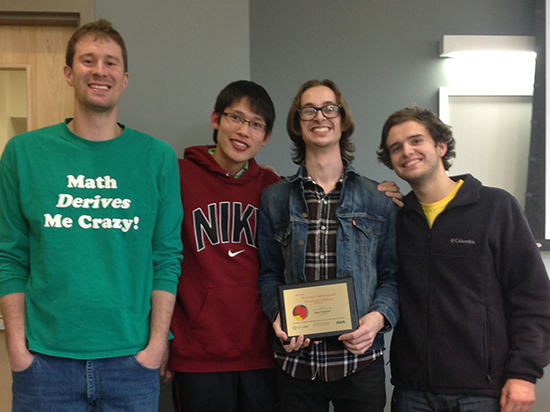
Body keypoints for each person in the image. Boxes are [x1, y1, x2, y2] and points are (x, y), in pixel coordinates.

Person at [0, 19, 183, 411]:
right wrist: (16, 348)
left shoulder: (157, 158)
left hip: (131, 363)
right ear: (69, 73)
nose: (100, 70)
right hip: (45, 363)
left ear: (125, 77)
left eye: (111, 62)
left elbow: (166, 256)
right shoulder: (24, 153)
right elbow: (10, 255)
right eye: (88, 60)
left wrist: (155, 348)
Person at [377, 106, 550, 412]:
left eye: (416, 141)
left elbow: (534, 297)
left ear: (440, 146)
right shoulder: (397, 218)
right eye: (396, 147)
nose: (407, 151)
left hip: (482, 392)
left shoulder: (496, 207)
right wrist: (375, 201)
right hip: (412, 392)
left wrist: (524, 373)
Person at [257, 79, 399, 412]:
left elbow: (393, 275)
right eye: (309, 109)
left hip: (360, 362)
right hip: (296, 364)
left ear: (342, 119)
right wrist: (277, 315)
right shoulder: (275, 198)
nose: (320, 116)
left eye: (329, 108)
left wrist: (377, 319)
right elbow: (268, 273)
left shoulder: (378, 198)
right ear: (298, 122)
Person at [167, 80, 280, 412]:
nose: (244, 131)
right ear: (216, 119)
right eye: (236, 118)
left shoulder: (272, 187)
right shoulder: (177, 175)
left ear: (266, 137)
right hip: (196, 352)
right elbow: (158, 258)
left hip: (260, 351)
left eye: (256, 125)